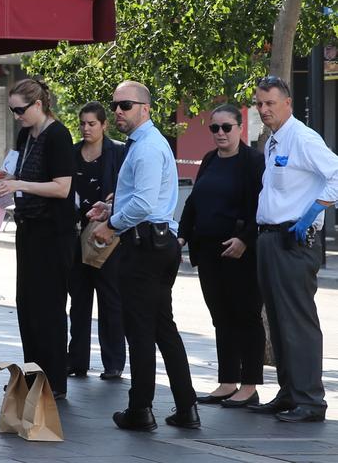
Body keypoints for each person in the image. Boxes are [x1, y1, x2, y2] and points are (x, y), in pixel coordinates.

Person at [90, 81, 198, 431]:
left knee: (140, 330)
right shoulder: (143, 145)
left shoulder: (148, 147)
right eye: (115, 104)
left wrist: (113, 225)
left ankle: (141, 410)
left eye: (126, 105)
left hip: (147, 246)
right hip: (152, 243)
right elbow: (137, 196)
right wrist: (109, 208)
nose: (118, 111)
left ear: (145, 108)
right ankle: (186, 407)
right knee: (162, 328)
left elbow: (144, 204)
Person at [248, 76, 338, 423]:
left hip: (294, 240)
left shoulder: (301, 137)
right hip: (271, 238)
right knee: (279, 320)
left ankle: (311, 401)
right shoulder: (274, 141)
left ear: (287, 103)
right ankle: (289, 393)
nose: (264, 109)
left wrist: (313, 212)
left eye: (270, 103)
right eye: (259, 104)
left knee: (297, 322)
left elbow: (335, 174)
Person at [177, 104, 265, 408]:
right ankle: (227, 381)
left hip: (240, 251)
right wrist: (181, 235)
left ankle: (250, 384)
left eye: (226, 127)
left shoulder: (253, 161)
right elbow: (194, 202)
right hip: (208, 250)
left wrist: (244, 239)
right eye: (214, 128)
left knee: (247, 316)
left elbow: (261, 207)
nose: (220, 133)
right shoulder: (210, 159)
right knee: (222, 318)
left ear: (239, 127)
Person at [0, 78, 76, 400]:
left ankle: (53, 380)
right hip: (28, 227)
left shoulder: (58, 135)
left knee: (50, 306)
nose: (17, 116)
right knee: (26, 304)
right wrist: (2, 186)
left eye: (21, 110)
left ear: (39, 105)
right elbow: (18, 175)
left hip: (53, 232)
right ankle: (32, 373)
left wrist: (19, 186)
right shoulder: (26, 135)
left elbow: (62, 187)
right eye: (13, 111)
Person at [67, 101, 126, 380]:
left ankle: (113, 362)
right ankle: (76, 360)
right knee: (78, 300)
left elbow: (127, 188)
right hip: (77, 233)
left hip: (107, 234)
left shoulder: (118, 153)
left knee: (110, 298)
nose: (87, 128)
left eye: (92, 123)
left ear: (104, 125)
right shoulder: (72, 154)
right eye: (83, 123)